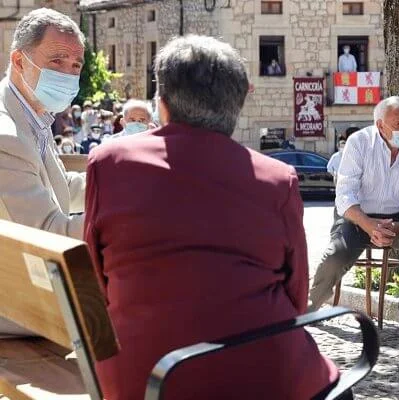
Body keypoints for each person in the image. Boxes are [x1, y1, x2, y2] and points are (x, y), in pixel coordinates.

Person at [84, 35, 340, 400]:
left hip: (142, 375)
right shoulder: (277, 179)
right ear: (237, 105)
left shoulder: (108, 163)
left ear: (162, 103)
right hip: (260, 373)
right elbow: (296, 293)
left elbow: (97, 277)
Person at [308, 96, 399, 337]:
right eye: (398, 124)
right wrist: (369, 225)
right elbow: (345, 195)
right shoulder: (358, 143)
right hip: (357, 217)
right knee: (337, 253)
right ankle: (312, 305)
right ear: (380, 125)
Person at [0, 8, 86, 336]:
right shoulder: (6, 134)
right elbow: (48, 234)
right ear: (19, 60)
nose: (68, 75)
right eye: (56, 62)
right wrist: (130, 218)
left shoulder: (30, 109)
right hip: (18, 309)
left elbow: (61, 184)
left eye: (75, 65)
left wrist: (122, 184)